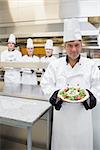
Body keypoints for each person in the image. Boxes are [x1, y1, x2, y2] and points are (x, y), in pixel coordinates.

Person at [41, 18, 100, 150]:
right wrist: (54, 95)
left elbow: (98, 86)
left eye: (77, 45)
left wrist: (91, 97)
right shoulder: (55, 65)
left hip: (82, 119)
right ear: (64, 46)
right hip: (62, 120)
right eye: (70, 45)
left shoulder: (91, 65)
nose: (74, 49)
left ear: (82, 45)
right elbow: (45, 84)